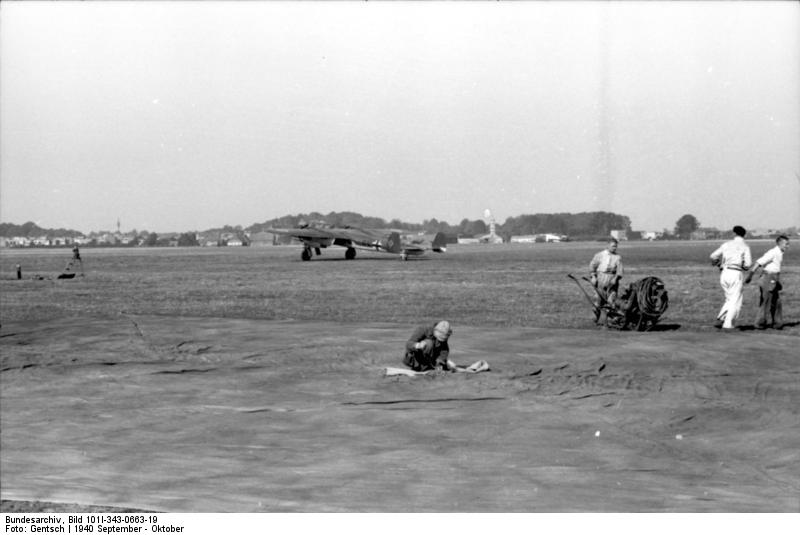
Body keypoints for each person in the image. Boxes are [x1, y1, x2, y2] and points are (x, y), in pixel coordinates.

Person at [709, 225, 752, 331]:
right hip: (736, 273)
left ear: (734, 233)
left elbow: (713, 256)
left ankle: (721, 318)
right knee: (735, 300)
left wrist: (719, 264)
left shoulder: (726, 244)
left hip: (724, 273)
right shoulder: (745, 247)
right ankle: (728, 324)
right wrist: (743, 266)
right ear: (744, 235)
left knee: (729, 298)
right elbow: (748, 264)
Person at [746, 234, 789, 330]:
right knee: (766, 302)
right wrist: (750, 275)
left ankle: (777, 324)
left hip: (774, 278)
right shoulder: (773, 252)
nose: (787, 246)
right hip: (768, 278)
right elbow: (759, 262)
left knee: (777, 302)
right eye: (786, 244)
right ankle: (759, 324)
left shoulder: (780, 253)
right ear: (779, 243)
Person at [589, 237, 623, 325]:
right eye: (613, 246)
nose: (614, 248)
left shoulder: (618, 257)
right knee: (598, 300)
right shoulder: (599, 255)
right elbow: (592, 266)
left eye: (616, 246)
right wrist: (593, 277)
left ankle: (611, 321)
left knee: (611, 301)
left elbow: (620, 271)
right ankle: (595, 320)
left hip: (612, 280)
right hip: (601, 278)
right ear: (607, 246)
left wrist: (615, 279)